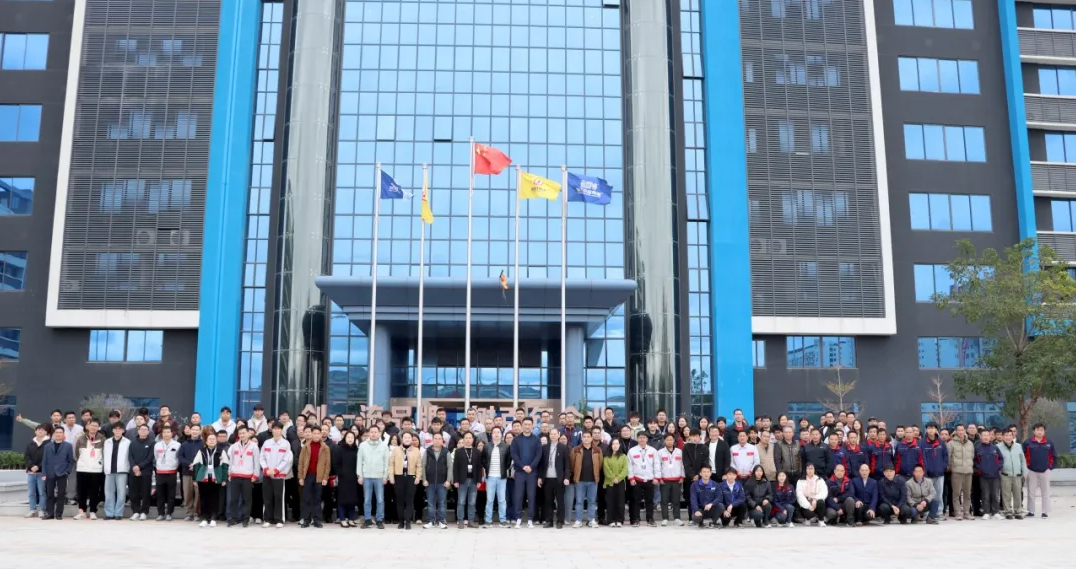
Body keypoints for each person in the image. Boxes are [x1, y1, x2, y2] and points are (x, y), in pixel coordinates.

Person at [260, 421, 293, 528]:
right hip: (267, 474)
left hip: (279, 475)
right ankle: (267, 519)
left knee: (279, 497)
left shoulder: (286, 443)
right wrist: (266, 468)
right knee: (267, 497)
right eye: (275, 429)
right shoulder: (267, 443)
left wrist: (276, 470)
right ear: (272, 430)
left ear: (282, 430)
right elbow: (262, 457)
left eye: (279, 429)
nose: (277, 431)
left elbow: (286, 460)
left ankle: (279, 519)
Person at [192, 431, 228, 527]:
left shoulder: (221, 451)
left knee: (215, 498)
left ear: (216, 441)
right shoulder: (201, 451)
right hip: (203, 478)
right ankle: (204, 518)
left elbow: (225, 466)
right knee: (203, 498)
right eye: (210, 439)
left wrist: (224, 479)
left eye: (213, 439)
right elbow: (196, 465)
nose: (212, 441)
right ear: (206, 441)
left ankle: (213, 518)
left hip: (216, 478)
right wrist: (195, 479)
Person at [510, 416, 541, 528]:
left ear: (532, 426)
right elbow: (514, 455)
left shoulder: (536, 439)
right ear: (522, 425)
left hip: (532, 473)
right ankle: (518, 518)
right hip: (520, 472)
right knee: (518, 496)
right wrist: (523, 466)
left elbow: (538, 455)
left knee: (531, 496)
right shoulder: (516, 439)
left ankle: (530, 519)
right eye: (525, 424)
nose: (527, 426)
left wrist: (531, 467)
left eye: (529, 424)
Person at [298, 425, 331, 528]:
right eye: (314, 433)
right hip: (308, 475)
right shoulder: (306, 446)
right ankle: (306, 520)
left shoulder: (325, 447)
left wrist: (325, 478)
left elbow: (327, 464)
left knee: (317, 499)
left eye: (318, 433)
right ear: (311, 434)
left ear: (321, 435)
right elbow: (301, 462)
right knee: (306, 498)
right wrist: (301, 477)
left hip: (319, 476)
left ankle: (316, 520)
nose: (316, 435)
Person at [226, 425, 259, 527]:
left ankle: (245, 519)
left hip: (247, 476)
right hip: (235, 475)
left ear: (248, 433)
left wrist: (255, 475)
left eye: (244, 433)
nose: (242, 435)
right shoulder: (234, 446)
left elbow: (256, 462)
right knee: (233, 499)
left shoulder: (254, 446)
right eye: (240, 433)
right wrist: (230, 473)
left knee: (247, 499)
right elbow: (231, 461)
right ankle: (234, 518)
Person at [358, 424, 390, 529]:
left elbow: (387, 462)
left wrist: (385, 476)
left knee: (380, 500)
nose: (373, 434)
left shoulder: (384, 446)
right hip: (366, 476)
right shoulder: (363, 445)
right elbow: (359, 461)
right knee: (367, 499)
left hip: (379, 476)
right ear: (369, 433)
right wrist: (360, 475)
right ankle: (367, 519)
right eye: (371, 432)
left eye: (375, 432)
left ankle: (379, 520)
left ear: (379, 433)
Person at [72, 419, 105, 520]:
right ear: (88, 426)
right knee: (81, 491)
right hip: (82, 469)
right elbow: (76, 454)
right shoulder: (81, 438)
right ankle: (82, 511)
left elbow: (104, 453)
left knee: (94, 492)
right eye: (92, 425)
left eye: (96, 426)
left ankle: (92, 511)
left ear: (98, 428)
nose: (93, 427)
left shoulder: (102, 439)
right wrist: (81, 462)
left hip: (96, 470)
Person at [570, 430, 603, 528]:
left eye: (588, 437)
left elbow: (600, 464)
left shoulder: (597, 450)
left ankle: (591, 520)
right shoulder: (576, 449)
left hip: (593, 480)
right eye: (584, 437)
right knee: (579, 501)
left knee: (592, 501)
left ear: (591, 438)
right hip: (580, 480)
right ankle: (578, 520)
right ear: (582, 438)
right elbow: (572, 464)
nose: (586, 439)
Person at [538, 428, 570, 529]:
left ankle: (560, 521)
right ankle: (549, 521)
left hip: (559, 479)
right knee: (548, 501)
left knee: (560, 501)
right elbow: (541, 465)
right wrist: (540, 477)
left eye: (555, 434)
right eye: (551, 434)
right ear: (549, 435)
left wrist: (567, 477)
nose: (553, 436)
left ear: (558, 435)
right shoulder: (544, 448)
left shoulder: (563, 448)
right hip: (547, 478)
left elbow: (567, 465)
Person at [389, 431, 421, 529]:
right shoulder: (396, 450)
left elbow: (419, 465)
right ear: (402, 439)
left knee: (409, 500)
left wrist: (418, 477)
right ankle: (401, 521)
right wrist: (391, 476)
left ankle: (408, 522)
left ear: (411, 439)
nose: (407, 439)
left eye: (409, 437)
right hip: (399, 476)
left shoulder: (416, 450)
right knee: (399, 500)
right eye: (405, 437)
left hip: (411, 477)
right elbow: (391, 464)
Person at [1024, 423, 1056, 518]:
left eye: (1041, 430)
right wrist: (1026, 467)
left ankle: (1045, 512)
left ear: (1044, 431)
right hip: (1031, 470)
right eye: (1037, 430)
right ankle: (1031, 511)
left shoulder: (1049, 443)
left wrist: (1050, 467)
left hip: (1045, 470)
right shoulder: (1028, 442)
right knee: (1031, 492)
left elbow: (1054, 456)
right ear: (1034, 431)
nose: (1039, 432)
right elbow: (1022, 455)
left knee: (1045, 492)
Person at [41, 426, 74, 520]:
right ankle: (50, 514)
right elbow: (44, 461)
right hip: (50, 472)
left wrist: (67, 471)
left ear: (63, 434)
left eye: (60, 432)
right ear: (54, 434)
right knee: (49, 494)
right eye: (57, 432)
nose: (58, 434)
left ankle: (59, 514)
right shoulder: (47, 446)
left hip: (62, 473)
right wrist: (44, 473)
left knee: (61, 494)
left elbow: (70, 460)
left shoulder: (68, 446)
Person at [627, 431, 659, 527]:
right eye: (640, 437)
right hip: (637, 479)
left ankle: (650, 519)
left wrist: (656, 477)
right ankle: (636, 519)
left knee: (649, 501)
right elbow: (629, 465)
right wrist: (631, 478)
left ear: (647, 439)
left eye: (644, 437)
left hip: (650, 479)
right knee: (636, 500)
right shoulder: (632, 451)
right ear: (637, 439)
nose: (642, 439)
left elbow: (656, 465)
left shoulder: (653, 451)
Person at [482, 426, 511, 527]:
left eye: (498, 432)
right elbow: (483, 460)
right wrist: (487, 468)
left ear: (501, 434)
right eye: (494, 432)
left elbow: (508, 461)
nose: (496, 434)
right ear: (491, 434)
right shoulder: (487, 446)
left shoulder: (506, 447)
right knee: (490, 500)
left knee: (502, 500)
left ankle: (503, 520)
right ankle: (488, 520)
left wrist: (503, 470)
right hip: (490, 477)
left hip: (502, 477)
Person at [421, 431, 451, 529]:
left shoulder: (446, 452)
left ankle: (441, 521)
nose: (437, 440)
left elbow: (450, 467)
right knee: (430, 503)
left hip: (442, 482)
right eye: (435, 439)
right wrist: (424, 479)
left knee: (442, 503)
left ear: (442, 441)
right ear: (432, 440)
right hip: (429, 481)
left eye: (439, 439)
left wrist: (448, 480)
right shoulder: (428, 451)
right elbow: (423, 465)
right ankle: (431, 521)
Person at [101, 422, 130, 520]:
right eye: (116, 429)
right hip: (109, 470)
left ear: (123, 430)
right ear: (113, 430)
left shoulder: (127, 442)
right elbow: (104, 455)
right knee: (108, 493)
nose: (117, 431)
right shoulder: (107, 442)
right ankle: (109, 513)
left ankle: (118, 513)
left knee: (121, 494)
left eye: (120, 429)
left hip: (122, 470)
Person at [452, 430, 481, 528]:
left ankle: (470, 521)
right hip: (462, 480)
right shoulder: (459, 451)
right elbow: (455, 467)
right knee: (461, 502)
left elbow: (479, 467)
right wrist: (455, 480)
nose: (468, 440)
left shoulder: (477, 452)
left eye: (470, 438)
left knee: (472, 502)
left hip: (473, 480)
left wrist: (479, 480)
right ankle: (460, 521)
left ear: (473, 439)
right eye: (466, 438)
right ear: (463, 439)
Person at [996, 428, 1026, 520]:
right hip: (1005, 475)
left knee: (1018, 494)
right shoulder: (998, 447)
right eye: (1006, 435)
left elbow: (1022, 460)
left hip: (1017, 474)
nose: (1008, 437)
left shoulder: (1018, 446)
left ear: (1013, 436)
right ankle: (1008, 512)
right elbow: (996, 460)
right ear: (1002, 436)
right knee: (1006, 495)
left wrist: (1024, 472)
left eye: (1010, 435)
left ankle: (1018, 511)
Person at [153, 425, 181, 521]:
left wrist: (174, 466)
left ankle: (169, 513)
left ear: (172, 433)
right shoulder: (157, 445)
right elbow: (156, 457)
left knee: (171, 495)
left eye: (168, 432)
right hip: (160, 472)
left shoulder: (177, 445)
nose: (166, 434)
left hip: (171, 472)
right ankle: (160, 513)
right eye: (164, 432)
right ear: (162, 434)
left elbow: (178, 458)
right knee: (160, 494)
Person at [947, 424, 975, 520]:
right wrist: (952, 467)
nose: (961, 432)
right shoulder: (951, 443)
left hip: (968, 471)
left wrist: (970, 466)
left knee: (967, 493)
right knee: (956, 493)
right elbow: (948, 457)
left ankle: (966, 512)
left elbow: (972, 456)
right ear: (956, 431)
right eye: (959, 430)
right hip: (957, 472)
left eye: (962, 430)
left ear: (965, 430)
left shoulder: (970, 443)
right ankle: (958, 512)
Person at [128, 424, 155, 521]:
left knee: (145, 493)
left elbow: (150, 457)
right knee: (133, 493)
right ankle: (135, 512)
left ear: (148, 432)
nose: (143, 431)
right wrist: (134, 467)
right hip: (133, 471)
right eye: (141, 429)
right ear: (138, 431)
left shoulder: (152, 443)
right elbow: (130, 456)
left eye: (145, 430)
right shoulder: (132, 442)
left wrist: (139, 467)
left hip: (146, 472)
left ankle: (144, 512)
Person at [333, 430, 360, 527]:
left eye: (352, 437)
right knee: (342, 499)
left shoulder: (357, 450)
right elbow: (336, 464)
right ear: (345, 438)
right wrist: (341, 473)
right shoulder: (340, 449)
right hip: (343, 478)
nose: (350, 439)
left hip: (353, 478)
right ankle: (342, 518)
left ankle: (351, 519)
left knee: (352, 499)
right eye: (348, 437)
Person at [655, 433, 683, 526]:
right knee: (664, 500)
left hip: (677, 479)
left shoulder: (679, 451)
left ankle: (677, 518)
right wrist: (659, 478)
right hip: (664, 480)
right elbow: (658, 466)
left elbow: (682, 465)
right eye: (667, 440)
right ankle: (665, 518)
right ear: (664, 441)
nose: (669, 442)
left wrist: (682, 476)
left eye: (671, 440)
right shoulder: (660, 452)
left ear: (674, 441)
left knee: (676, 500)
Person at [921, 422, 948, 518]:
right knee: (927, 495)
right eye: (929, 428)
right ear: (926, 430)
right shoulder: (922, 443)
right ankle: (927, 513)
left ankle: (939, 512)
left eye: (933, 428)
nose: (931, 430)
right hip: (927, 475)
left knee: (939, 494)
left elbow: (945, 456)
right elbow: (922, 458)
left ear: (936, 430)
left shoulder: (940, 442)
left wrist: (943, 466)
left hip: (939, 474)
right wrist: (925, 471)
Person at [975, 429, 1003, 519]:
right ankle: (986, 512)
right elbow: (975, 461)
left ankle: (995, 512)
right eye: (984, 435)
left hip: (995, 475)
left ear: (990, 437)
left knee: (995, 494)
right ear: (981, 437)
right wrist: (980, 469)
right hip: (984, 476)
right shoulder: (977, 448)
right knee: (985, 495)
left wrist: (998, 467)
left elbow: (1001, 459)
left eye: (987, 435)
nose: (986, 437)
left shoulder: (995, 448)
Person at [178, 424, 204, 521]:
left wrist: (196, 465)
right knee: (187, 493)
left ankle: (196, 513)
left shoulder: (203, 444)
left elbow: (205, 456)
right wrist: (189, 464)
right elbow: (180, 457)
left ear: (200, 431)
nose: (195, 431)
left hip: (199, 472)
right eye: (193, 429)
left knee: (198, 493)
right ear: (190, 431)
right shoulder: (184, 444)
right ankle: (189, 513)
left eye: (197, 430)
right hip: (187, 472)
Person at [22, 424, 49, 518]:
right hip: (31, 472)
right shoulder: (30, 443)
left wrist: (38, 466)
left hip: (42, 472)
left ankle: (42, 510)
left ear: (46, 432)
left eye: (42, 430)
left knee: (42, 492)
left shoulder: (49, 444)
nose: (40, 431)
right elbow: (26, 456)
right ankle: (32, 510)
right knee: (31, 492)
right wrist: (32, 466)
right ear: (35, 431)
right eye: (38, 430)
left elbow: (47, 458)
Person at [603, 438, 628, 527]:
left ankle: (620, 520)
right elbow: (606, 469)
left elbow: (625, 469)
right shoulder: (607, 457)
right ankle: (611, 520)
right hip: (610, 482)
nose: (615, 445)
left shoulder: (623, 456)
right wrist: (613, 478)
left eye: (617, 444)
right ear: (611, 445)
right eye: (613, 444)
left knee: (620, 502)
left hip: (620, 482)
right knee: (610, 502)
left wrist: (619, 478)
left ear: (619, 445)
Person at [689, 464, 722, 529]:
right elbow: (693, 499)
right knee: (696, 518)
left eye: (708, 472)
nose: (706, 474)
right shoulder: (694, 485)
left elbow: (719, 497)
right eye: (704, 472)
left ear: (710, 473)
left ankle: (713, 522)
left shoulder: (716, 485)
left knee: (721, 506)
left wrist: (711, 504)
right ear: (700, 474)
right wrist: (696, 510)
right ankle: (701, 523)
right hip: (700, 509)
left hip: (711, 508)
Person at [825, 463, 855, 527]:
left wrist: (838, 499)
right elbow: (828, 498)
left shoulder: (848, 481)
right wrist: (837, 508)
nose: (840, 472)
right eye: (838, 470)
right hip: (832, 505)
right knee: (832, 514)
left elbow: (851, 493)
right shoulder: (828, 482)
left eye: (842, 471)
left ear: (844, 472)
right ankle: (833, 519)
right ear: (834, 471)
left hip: (843, 504)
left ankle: (849, 519)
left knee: (850, 500)